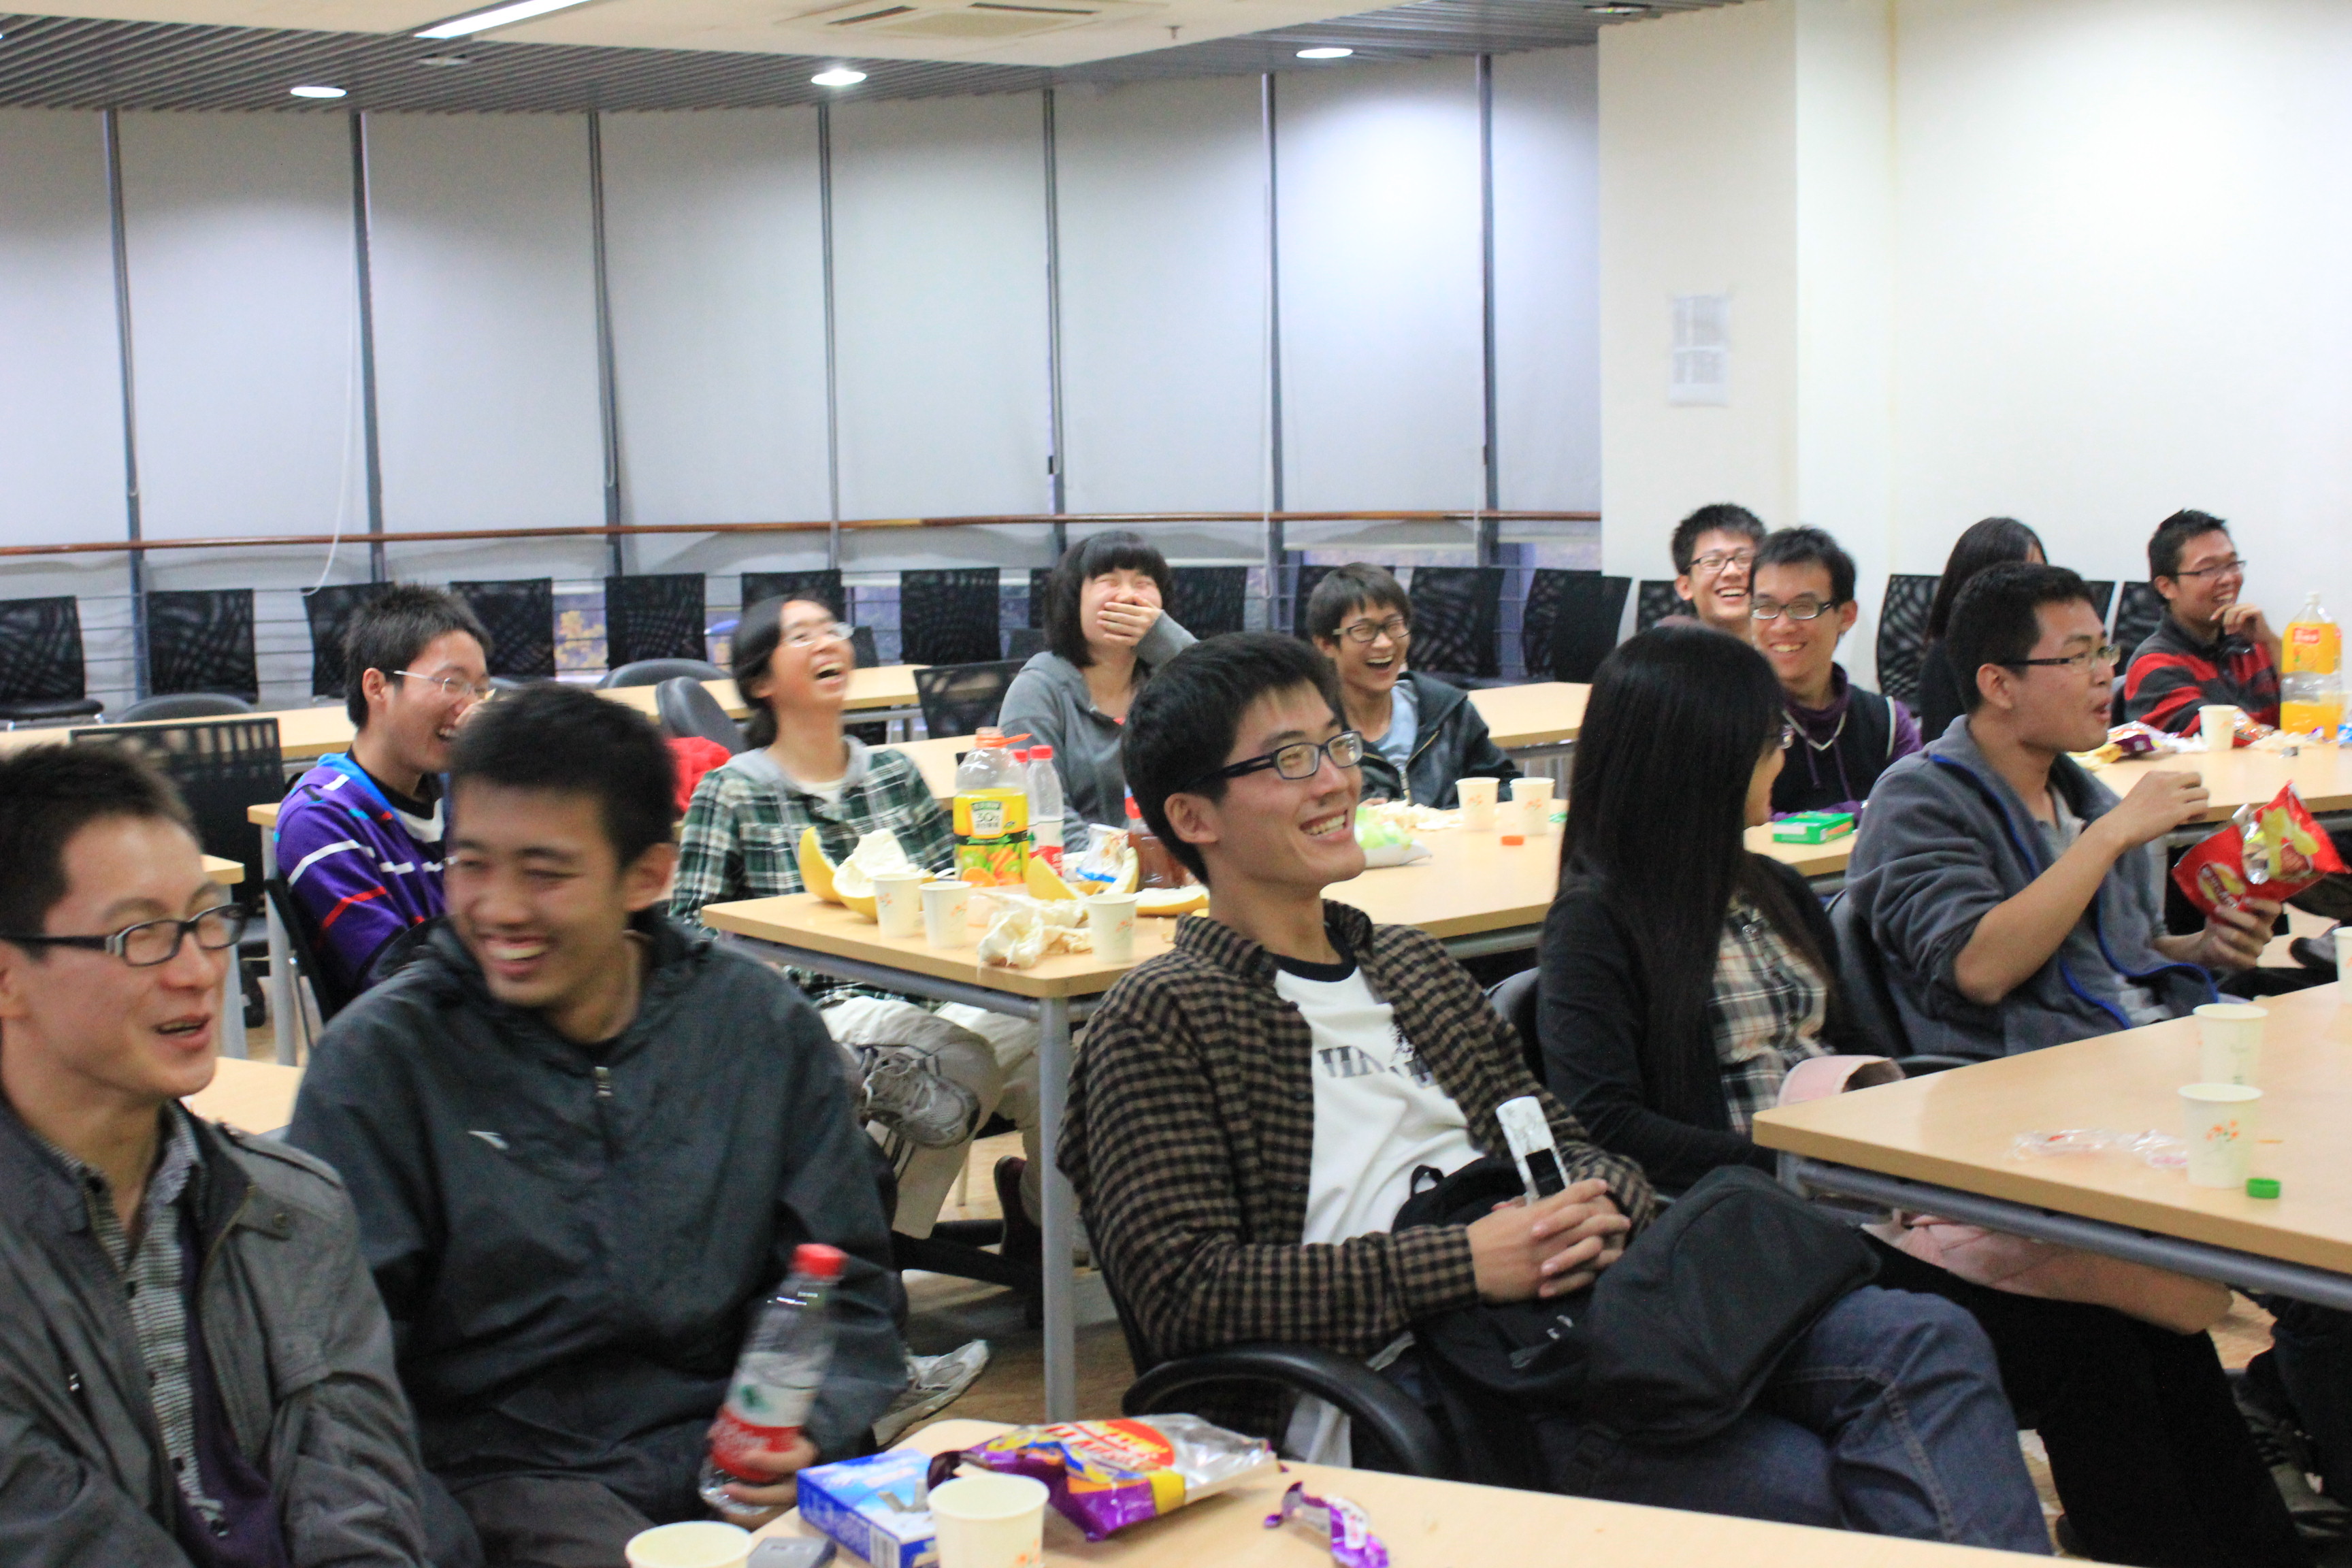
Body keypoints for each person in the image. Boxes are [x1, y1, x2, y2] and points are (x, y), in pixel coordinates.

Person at [1062, 631, 2048, 1550]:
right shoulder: (1163, 1015)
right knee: (1814, 1486)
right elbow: (1189, 1294)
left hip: (1587, 1313)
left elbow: (1568, 1138)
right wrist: (1464, 1265)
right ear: (1192, 817)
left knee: (1927, 1339)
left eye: (1335, 747)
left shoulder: (1409, 966)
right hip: (1428, 1381)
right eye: (1289, 761)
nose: (1335, 780)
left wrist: (1595, 1198)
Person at [1537, 625, 2307, 1568]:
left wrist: (1884, 1153)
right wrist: (1806, 1161)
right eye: (1767, 737)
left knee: (2155, 1318)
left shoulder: (1769, 886)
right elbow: (1605, 1124)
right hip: (1756, 1231)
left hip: (1862, 1199)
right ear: (1700, 756)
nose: (1782, 755)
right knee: (2090, 1344)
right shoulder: (1599, 920)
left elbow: (1857, 1050)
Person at [288, 684, 906, 1565]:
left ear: (647, 875)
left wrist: (814, 1427)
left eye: (545, 873)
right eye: (471, 864)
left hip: (737, 1460)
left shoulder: (755, 1028)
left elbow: (845, 1276)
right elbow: (335, 1388)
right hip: (504, 1483)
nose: (499, 908)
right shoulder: (383, 1066)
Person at [0, 743, 432, 1567]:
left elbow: (362, 1498)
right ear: (8, 976)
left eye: (206, 921)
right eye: (141, 935)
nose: (200, 972)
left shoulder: (295, 1213)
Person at [672, 596, 1048, 1260]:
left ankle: (1047, 1235)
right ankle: (863, 1263)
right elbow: (685, 931)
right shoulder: (732, 790)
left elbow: (952, 888)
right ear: (761, 681)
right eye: (801, 636)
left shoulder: (894, 774)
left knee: (1061, 1046)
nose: (826, 643)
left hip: (929, 999)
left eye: (832, 630)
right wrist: (761, 964)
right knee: (958, 1062)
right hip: (820, 1011)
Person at [1848, 562, 2278, 1060]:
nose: (2105, 675)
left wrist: (2202, 949)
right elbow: (1979, 970)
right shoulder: (1918, 800)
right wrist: (2106, 838)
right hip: (2034, 1073)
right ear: (1999, 685)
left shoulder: (2082, 796)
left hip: (2145, 1041)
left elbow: (2122, 953)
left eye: (2104, 651)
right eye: (2077, 657)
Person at [274, 584, 492, 1000]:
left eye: (480, 690)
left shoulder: (465, 795)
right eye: (451, 683)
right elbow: (402, 987)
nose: (471, 707)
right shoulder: (321, 819)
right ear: (376, 687)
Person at [999, 531, 1196, 835]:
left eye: (1143, 583)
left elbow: (1240, 704)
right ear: (1073, 601)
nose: (1129, 597)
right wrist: (1119, 860)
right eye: (1109, 581)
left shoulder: (1171, 678)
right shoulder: (1037, 691)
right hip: (1081, 862)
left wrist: (1167, 640)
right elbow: (1045, 820)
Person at [1303, 563, 1518, 808]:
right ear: (1326, 645)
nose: (1385, 643)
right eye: (1364, 630)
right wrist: (1352, 819)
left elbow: (1508, 789)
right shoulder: (1311, 734)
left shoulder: (1446, 712)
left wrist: (1444, 819)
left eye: (1394, 626)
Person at [1750, 527, 1921, 817]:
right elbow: (1745, 823)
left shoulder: (1888, 720)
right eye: (1766, 607)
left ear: (1846, 615)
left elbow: (1917, 804)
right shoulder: (1736, 721)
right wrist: (1866, 810)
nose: (1782, 626)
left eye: (1803, 607)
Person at [2123, 510, 2281, 736]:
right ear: (2167, 587)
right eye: (2209, 569)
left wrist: (2271, 642)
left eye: (2232, 564)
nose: (2229, 579)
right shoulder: (2154, 663)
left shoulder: (2254, 644)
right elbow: (2216, 737)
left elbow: (2315, 710)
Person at [1917, 518, 2046, 741]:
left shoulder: (2036, 646)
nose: (2040, 589)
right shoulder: (1946, 658)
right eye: (2025, 578)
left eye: (2041, 575)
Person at [1669, 503, 1765, 638]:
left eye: (1745, 559)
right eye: (1713, 561)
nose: (1732, 571)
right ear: (1685, 587)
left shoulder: (1790, 643)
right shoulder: (1667, 651)